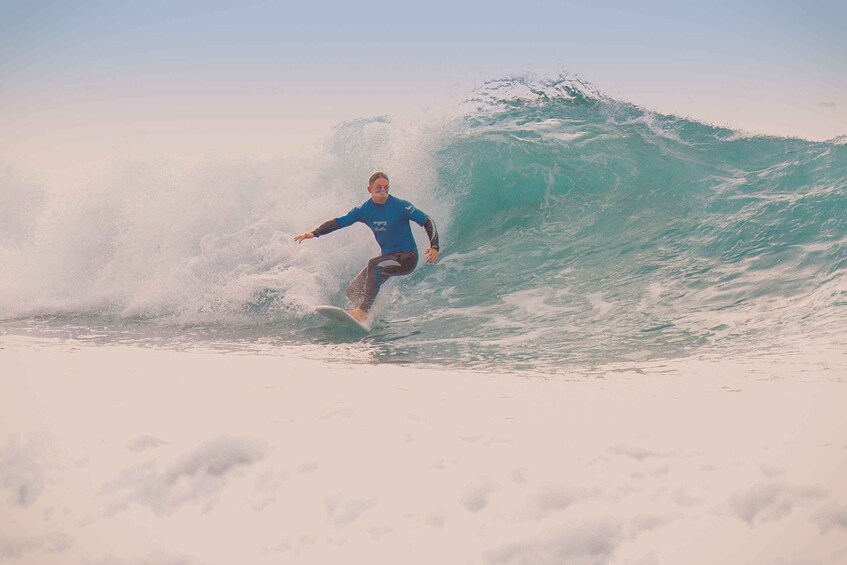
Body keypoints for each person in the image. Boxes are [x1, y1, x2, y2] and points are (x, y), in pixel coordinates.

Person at [294, 172, 440, 322]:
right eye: (378, 188)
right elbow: (340, 222)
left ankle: (362, 311)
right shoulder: (364, 210)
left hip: (407, 257)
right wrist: (314, 233)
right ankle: (365, 316)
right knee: (353, 290)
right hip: (388, 258)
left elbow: (427, 220)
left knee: (374, 265)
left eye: (386, 188)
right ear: (369, 189)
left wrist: (434, 246)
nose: (383, 191)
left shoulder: (401, 206)